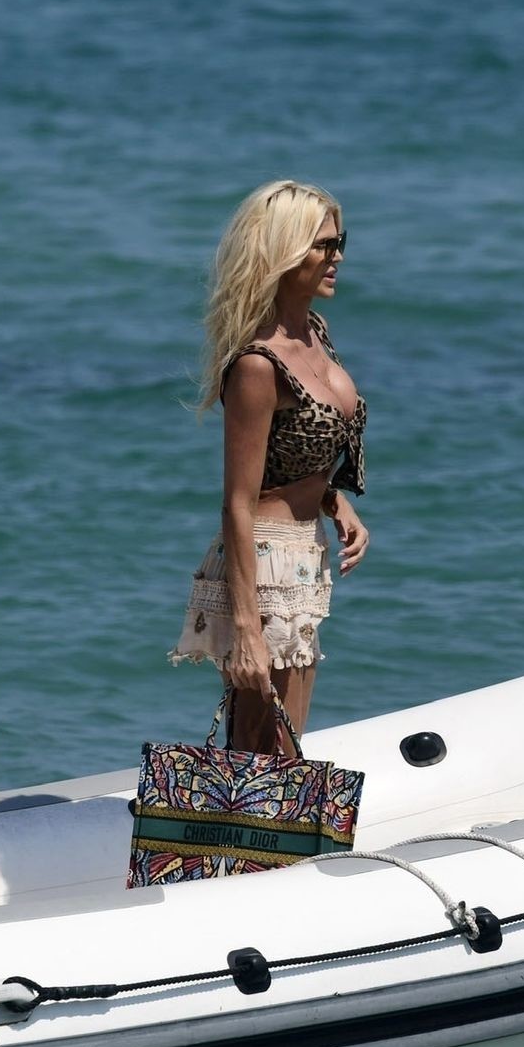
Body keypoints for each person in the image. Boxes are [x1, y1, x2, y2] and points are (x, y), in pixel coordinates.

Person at [170, 180, 370, 751]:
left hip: (304, 555)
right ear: (285, 252)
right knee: (265, 752)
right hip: (264, 565)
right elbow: (238, 501)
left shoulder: (315, 333)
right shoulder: (258, 365)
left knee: (281, 747)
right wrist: (247, 631)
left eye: (339, 243)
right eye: (323, 246)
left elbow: (293, 452)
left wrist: (333, 498)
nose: (337, 257)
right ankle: (216, 817)